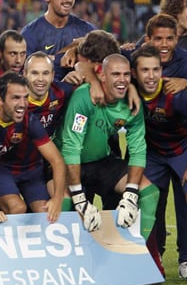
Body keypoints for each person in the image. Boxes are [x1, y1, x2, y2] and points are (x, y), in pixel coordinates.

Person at [59, 54, 159, 246]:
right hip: (69, 163)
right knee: (63, 201)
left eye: (125, 75)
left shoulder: (132, 105)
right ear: (102, 76)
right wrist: (79, 199)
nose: (122, 80)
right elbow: (71, 148)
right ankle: (62, 264)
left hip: (100, 161)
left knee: (149, 192)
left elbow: (138, 150)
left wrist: (130, 194)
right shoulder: (84, 97)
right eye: (115, 74)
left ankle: (133, 255)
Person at [132, 45, 187, 284]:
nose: (151, 75)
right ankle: (155, 265)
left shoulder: (175, 95)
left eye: (156, 69)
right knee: (146, 200)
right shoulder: (129, 90)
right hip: (154, 153)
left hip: (184, 149)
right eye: (145, 70)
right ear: (134, 73)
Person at [0, 72, 65, 222]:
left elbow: (57, 160)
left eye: (25, 97)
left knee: (18, 209)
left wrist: (57, 199)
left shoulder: (29, 120)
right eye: (16, 98)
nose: (23, 104)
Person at [2, 52, 76, 211]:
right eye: (34, 73)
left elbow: (93, 82)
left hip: (36, 168)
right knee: (13, 210)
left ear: (53, 75)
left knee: (52, 209)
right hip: (4, 167)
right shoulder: (11, 97)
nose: (40, 79)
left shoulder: (61, 92)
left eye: (45, 73)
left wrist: (83, 72)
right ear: (24, 74)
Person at [21, 0, 95, 81]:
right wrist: (73, 47)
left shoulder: (87, 30)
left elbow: (104, 64)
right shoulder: (30, 34)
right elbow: (26, 76)